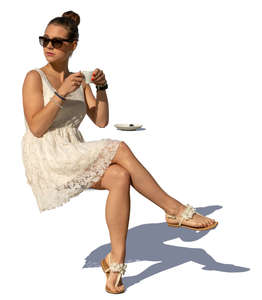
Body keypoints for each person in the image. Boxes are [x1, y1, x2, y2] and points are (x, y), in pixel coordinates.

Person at [21, 10, 218, 294]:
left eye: (57, 42)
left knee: (120, 176)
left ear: (73, 45)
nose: (49, 47)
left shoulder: (79, 79)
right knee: (121, 147)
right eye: (44, 40)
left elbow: (100, 120)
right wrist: (61, 92)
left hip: (71, 149)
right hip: (47, 156)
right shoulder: (34, 77)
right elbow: (37, 128)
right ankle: (174, 210)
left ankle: (116, 264)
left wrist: (100, 88)